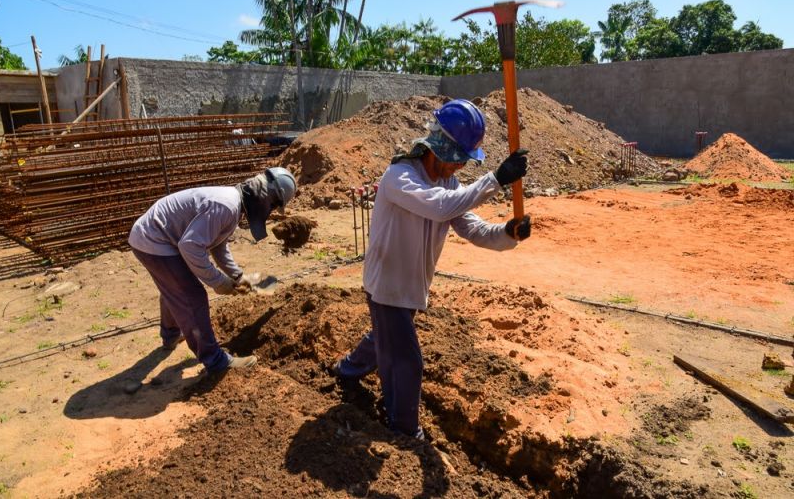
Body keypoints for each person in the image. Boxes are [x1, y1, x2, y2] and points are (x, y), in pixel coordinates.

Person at [333, 99, 531, 439]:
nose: (459, 168)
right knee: (406, 361)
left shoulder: (450, 186)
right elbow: (440, 209)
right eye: (458, 158)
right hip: (388, 286)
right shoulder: (400, 177)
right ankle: (404, 430)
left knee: (385, 337)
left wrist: (507, 234)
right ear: (439, 147)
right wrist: (495, 179)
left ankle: (349, 370)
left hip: (411, 287)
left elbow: (472, 228)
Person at [129, 167, 296, 375]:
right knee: (192, 295)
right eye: (274, 206)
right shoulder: (226, 205)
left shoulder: (233, 205)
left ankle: (171, 335)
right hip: (154, 240)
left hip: (156, 236)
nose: (270, 211)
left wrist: (237, 276)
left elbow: (218, 245)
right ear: (267, 198)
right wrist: (218, 281)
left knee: (174, 287)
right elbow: (190, 246)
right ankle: (215, 361)